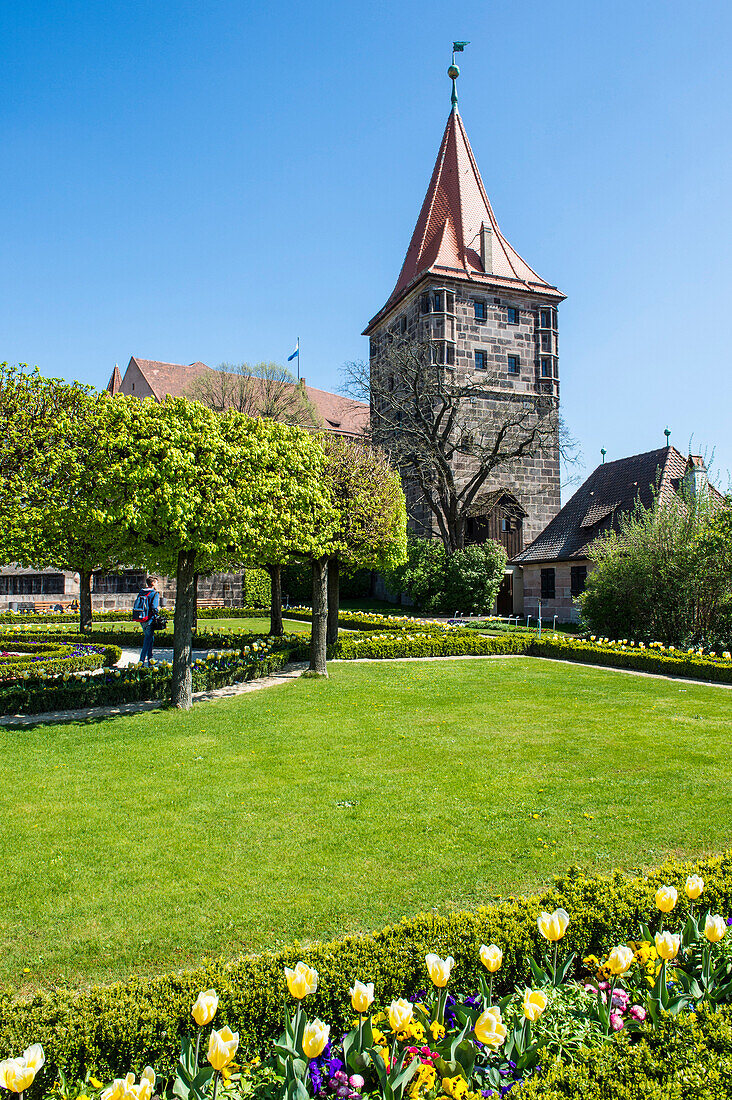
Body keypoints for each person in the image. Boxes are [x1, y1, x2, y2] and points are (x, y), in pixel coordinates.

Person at [136, 576, 160, 666]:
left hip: (141, 617)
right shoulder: (154, 593)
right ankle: (141, 660)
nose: (157, 584)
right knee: (147, 639)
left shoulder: (141, 592)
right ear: (153, 583)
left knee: (150, 638)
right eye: (156, 582)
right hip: (150, 618)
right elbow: (154, 607)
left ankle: (150, 659)